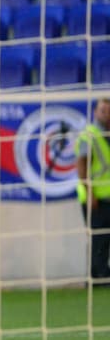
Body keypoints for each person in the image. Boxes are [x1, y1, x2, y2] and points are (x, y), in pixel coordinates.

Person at [76, 97, 110, 287]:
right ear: (95, 112)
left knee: (105, 238)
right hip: (95, 196)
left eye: (109, 110)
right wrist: (90, 193)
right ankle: (97, 278)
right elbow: (81, 164)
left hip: (108, 196)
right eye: (103, 110)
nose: (106, 114)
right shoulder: (88, 134)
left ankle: (100, 274)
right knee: (98, 237)